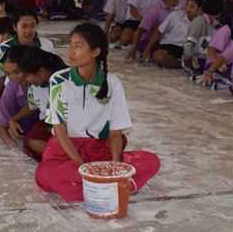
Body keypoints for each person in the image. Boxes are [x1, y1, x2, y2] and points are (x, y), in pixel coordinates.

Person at [35, 23, 161, 202]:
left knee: (150, 161)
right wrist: (81, 166)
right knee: (46, 174)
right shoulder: (59, 80)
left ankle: (98, 186)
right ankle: (109, 187)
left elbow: (115, 133)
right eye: (70, 45)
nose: (71, 51)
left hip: (100, 151)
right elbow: (60, 130)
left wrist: (116, 167)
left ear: (95, 52)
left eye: (78, 46)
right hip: (66, 152)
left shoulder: (112, 83)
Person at [19, 48, 68, 160]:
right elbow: (32, 106)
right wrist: (14, 119)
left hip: (67, 126)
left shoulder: (60, 82)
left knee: (32, 141)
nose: (26, 80)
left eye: (27, 75)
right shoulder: (36, 85)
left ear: (41, 72)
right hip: (53, 124)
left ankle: (62, 157)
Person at [149, 0, 203, 69]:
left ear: (199, 9)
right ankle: (182, 64)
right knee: (157, 55)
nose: (188, 9)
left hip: (182, 49)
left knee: (159, 57)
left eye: (192, 6)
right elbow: (159, 31)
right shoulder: (175, 15)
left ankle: (180, 63)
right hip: (166, 45)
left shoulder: (201, 24)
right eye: (187, 5)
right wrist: (147, 49)